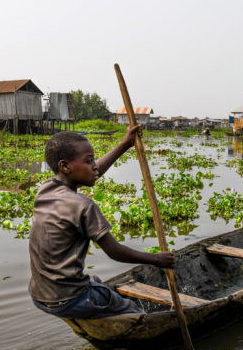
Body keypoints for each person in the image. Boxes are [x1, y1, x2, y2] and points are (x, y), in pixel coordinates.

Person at [28, 125, 174, 319]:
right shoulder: (83, 206)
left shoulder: (45, 189)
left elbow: (94, 172)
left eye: (93, 160)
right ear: (65, 166)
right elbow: (114, 251)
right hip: (69, 298)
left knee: (95, 282)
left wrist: (125, 144)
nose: (95, 166)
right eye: (89, 161)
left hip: (40, 296)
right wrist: (157, 260)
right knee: (133, 312)